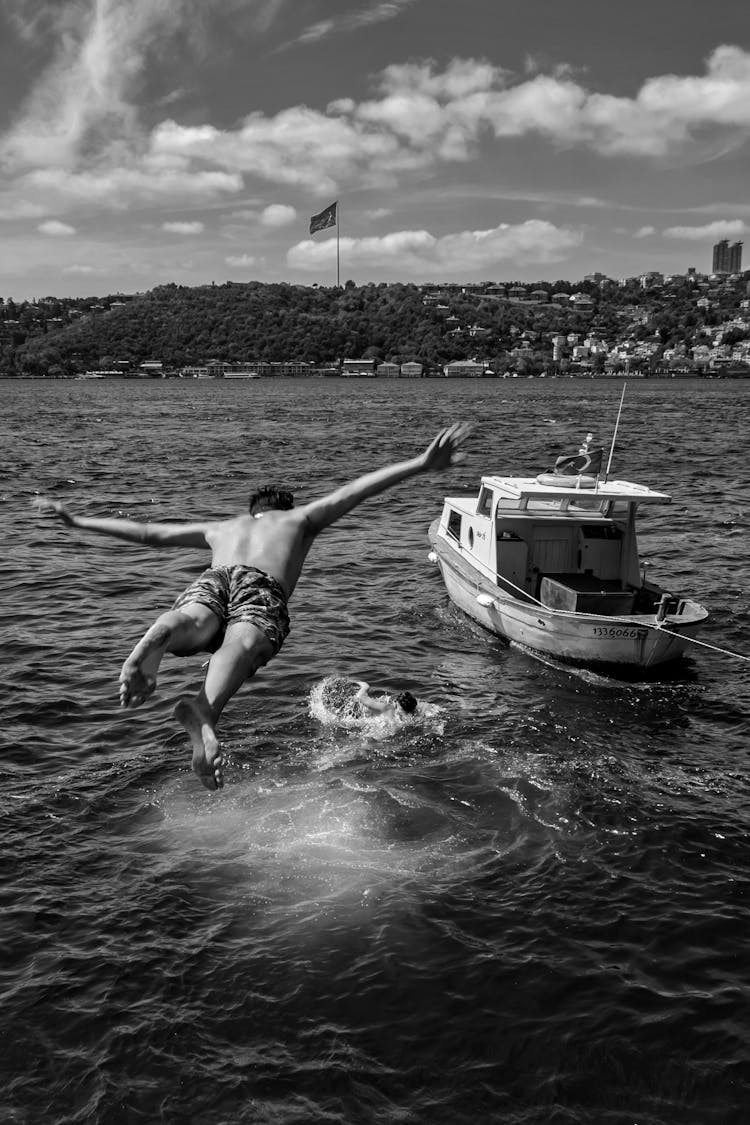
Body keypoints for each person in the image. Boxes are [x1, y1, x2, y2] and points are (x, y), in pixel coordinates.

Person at [34, 423, 471, 791]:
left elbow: (150, 533)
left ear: (250, 513)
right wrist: (420, 463)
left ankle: (165, 631)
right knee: (241, 643)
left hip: (217, 575)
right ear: (284, 509)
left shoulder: (221, 528)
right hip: (261, 589)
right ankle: (204, 709)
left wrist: (76, 520)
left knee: (195, 618)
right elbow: (355, 491)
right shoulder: (299, 520)